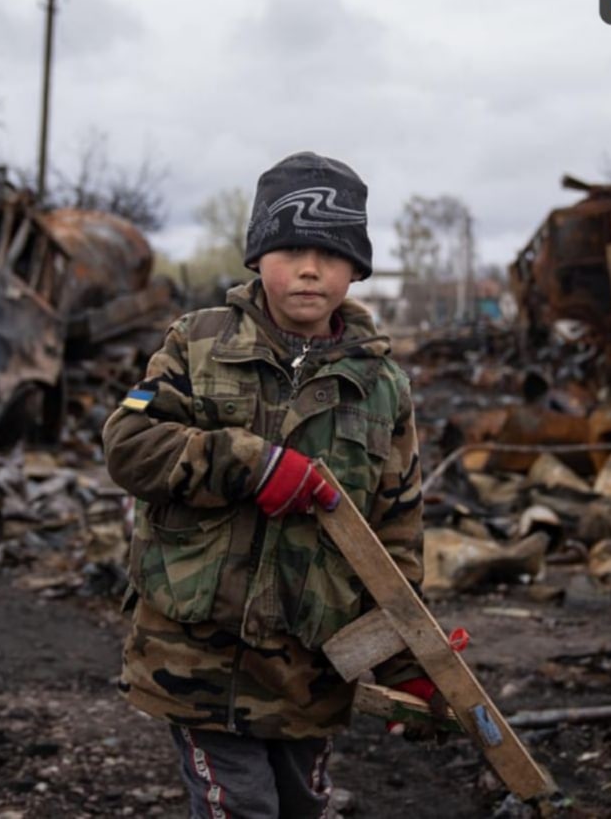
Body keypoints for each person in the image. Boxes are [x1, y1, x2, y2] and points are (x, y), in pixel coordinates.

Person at [102, 151, 430, 819]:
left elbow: (395, 533)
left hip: (306, 671)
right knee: (239, 807)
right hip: (194, 657)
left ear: (356, 268)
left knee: (301, 806)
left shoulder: (381, 388)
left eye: (331, 254)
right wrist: (250, 465)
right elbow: (128, 445)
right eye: (290, 249)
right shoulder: (195, 344)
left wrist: (407, 665)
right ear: (257, 258)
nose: (309, 269)